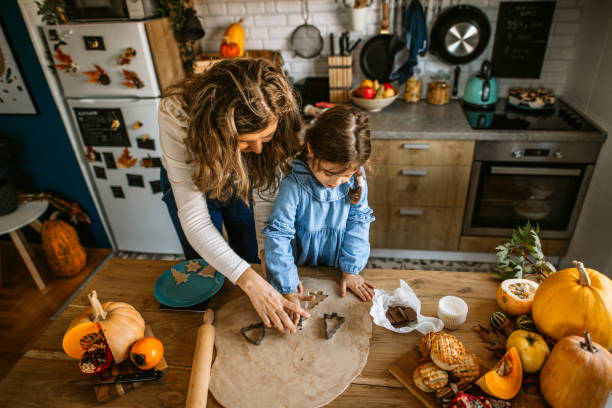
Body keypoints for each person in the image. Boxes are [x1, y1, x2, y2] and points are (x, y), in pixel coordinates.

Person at [158, 59, 310, 334]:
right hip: (193, 181)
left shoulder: (270, 111)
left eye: (267, 137)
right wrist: (248, 281)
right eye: (245, 141)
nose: (260, 149)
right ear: (218, 133)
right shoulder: (176, 114)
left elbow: (265, 195)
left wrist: (271, 265)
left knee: (250, 253)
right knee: (206, 269)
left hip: (242, 177)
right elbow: (196, 221)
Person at [263, 105, 376, 326]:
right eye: (329, 173)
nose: (336, 183)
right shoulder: (293, 186)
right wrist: (286, 285)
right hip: (298, 271)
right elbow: (279, 238)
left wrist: (351, 271)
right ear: (311, 149)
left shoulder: (357, 179)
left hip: (337, 270)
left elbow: (358, 224)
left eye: (346, 176)